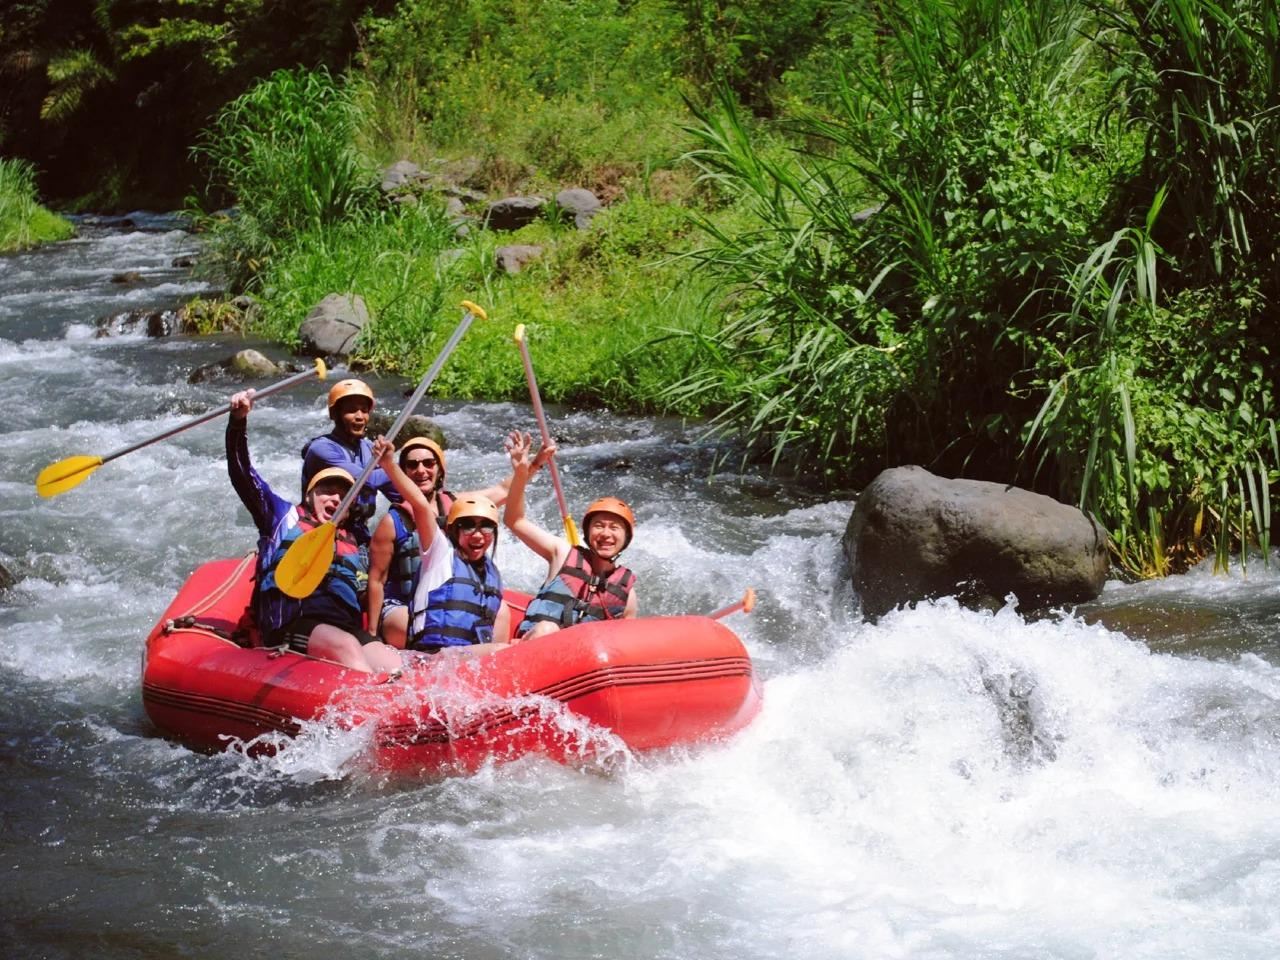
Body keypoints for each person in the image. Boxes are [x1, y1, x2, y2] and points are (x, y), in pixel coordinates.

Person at [227, 387, 404, 674]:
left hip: (343, 626)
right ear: (309, 493)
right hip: (292, 624)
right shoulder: (281, 517)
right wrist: (237, 423)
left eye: (343, 495)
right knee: (345, 647)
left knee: (392, 663)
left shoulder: (357, 543)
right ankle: (365, 711)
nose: (334, 498)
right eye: (326, 490)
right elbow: (242, 473)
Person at [366, 436, 533, 647]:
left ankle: (486, 660)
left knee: (501, 609)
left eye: (429, 463)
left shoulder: (459, 508)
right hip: (403, 606)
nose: (421, 470)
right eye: (412, 464)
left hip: (444, 599)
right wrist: (372, 634)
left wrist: (530, 465)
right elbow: (376, 580)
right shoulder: (393, 521)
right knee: (421, 622)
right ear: (404, 472)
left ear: (440, 470)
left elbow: (504, 492)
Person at [503, 431, 638, 641]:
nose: (606, 534)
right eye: (599, 526)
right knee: (547, 629)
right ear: (587, 532)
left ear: (626, 537)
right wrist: (522, 473)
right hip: (532, 649)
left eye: (615, 528)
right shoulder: (562, 553)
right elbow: (515, 520)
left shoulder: (626, 594)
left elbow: (626, 644)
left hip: (578, 667)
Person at [299, 379, 397, 544]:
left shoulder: (369, 449)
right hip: (319, 532)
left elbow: (398, 493)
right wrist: (393, 467)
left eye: (364, 411)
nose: (360, 417)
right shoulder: (321, 449)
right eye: (352, 410)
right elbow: (365, 480)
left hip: (358, 534)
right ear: (334, 414)